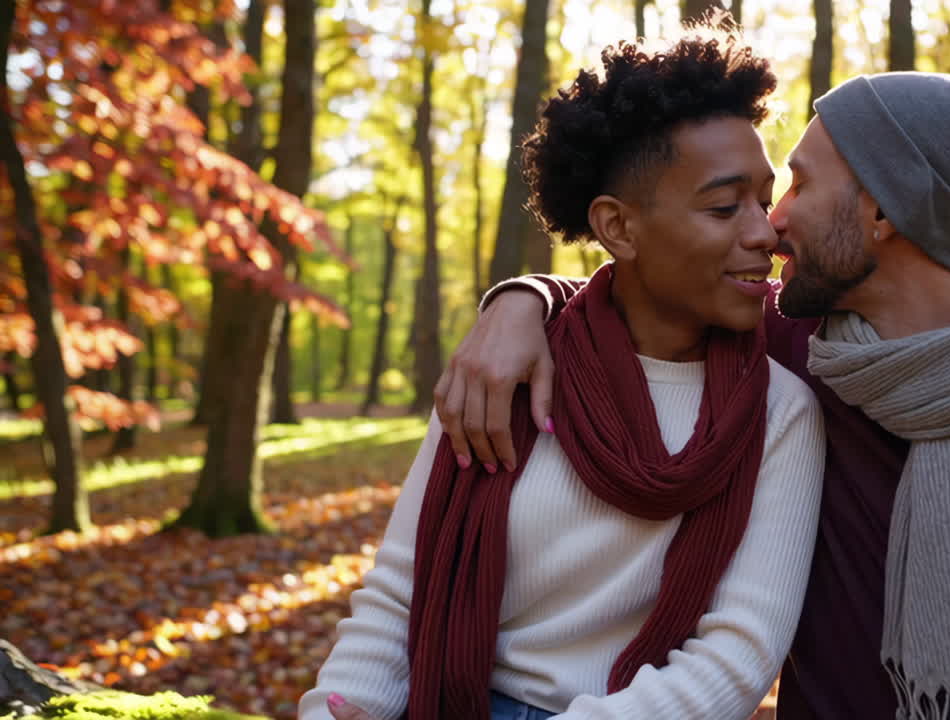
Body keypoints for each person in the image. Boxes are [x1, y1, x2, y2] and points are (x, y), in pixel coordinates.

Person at [438, 71, 950, 720]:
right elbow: (644, 283)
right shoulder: (786, 359)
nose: (773, 224)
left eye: (798, 185)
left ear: (881, 210)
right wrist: (520, 302)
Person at [299, 24, 826, 720]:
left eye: (764, 199)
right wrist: (337, 709)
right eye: (726, 206)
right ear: (619, 228)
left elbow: (736, 657)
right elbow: (402, 594)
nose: (764, 231)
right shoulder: (505, 366)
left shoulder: (779, 410)